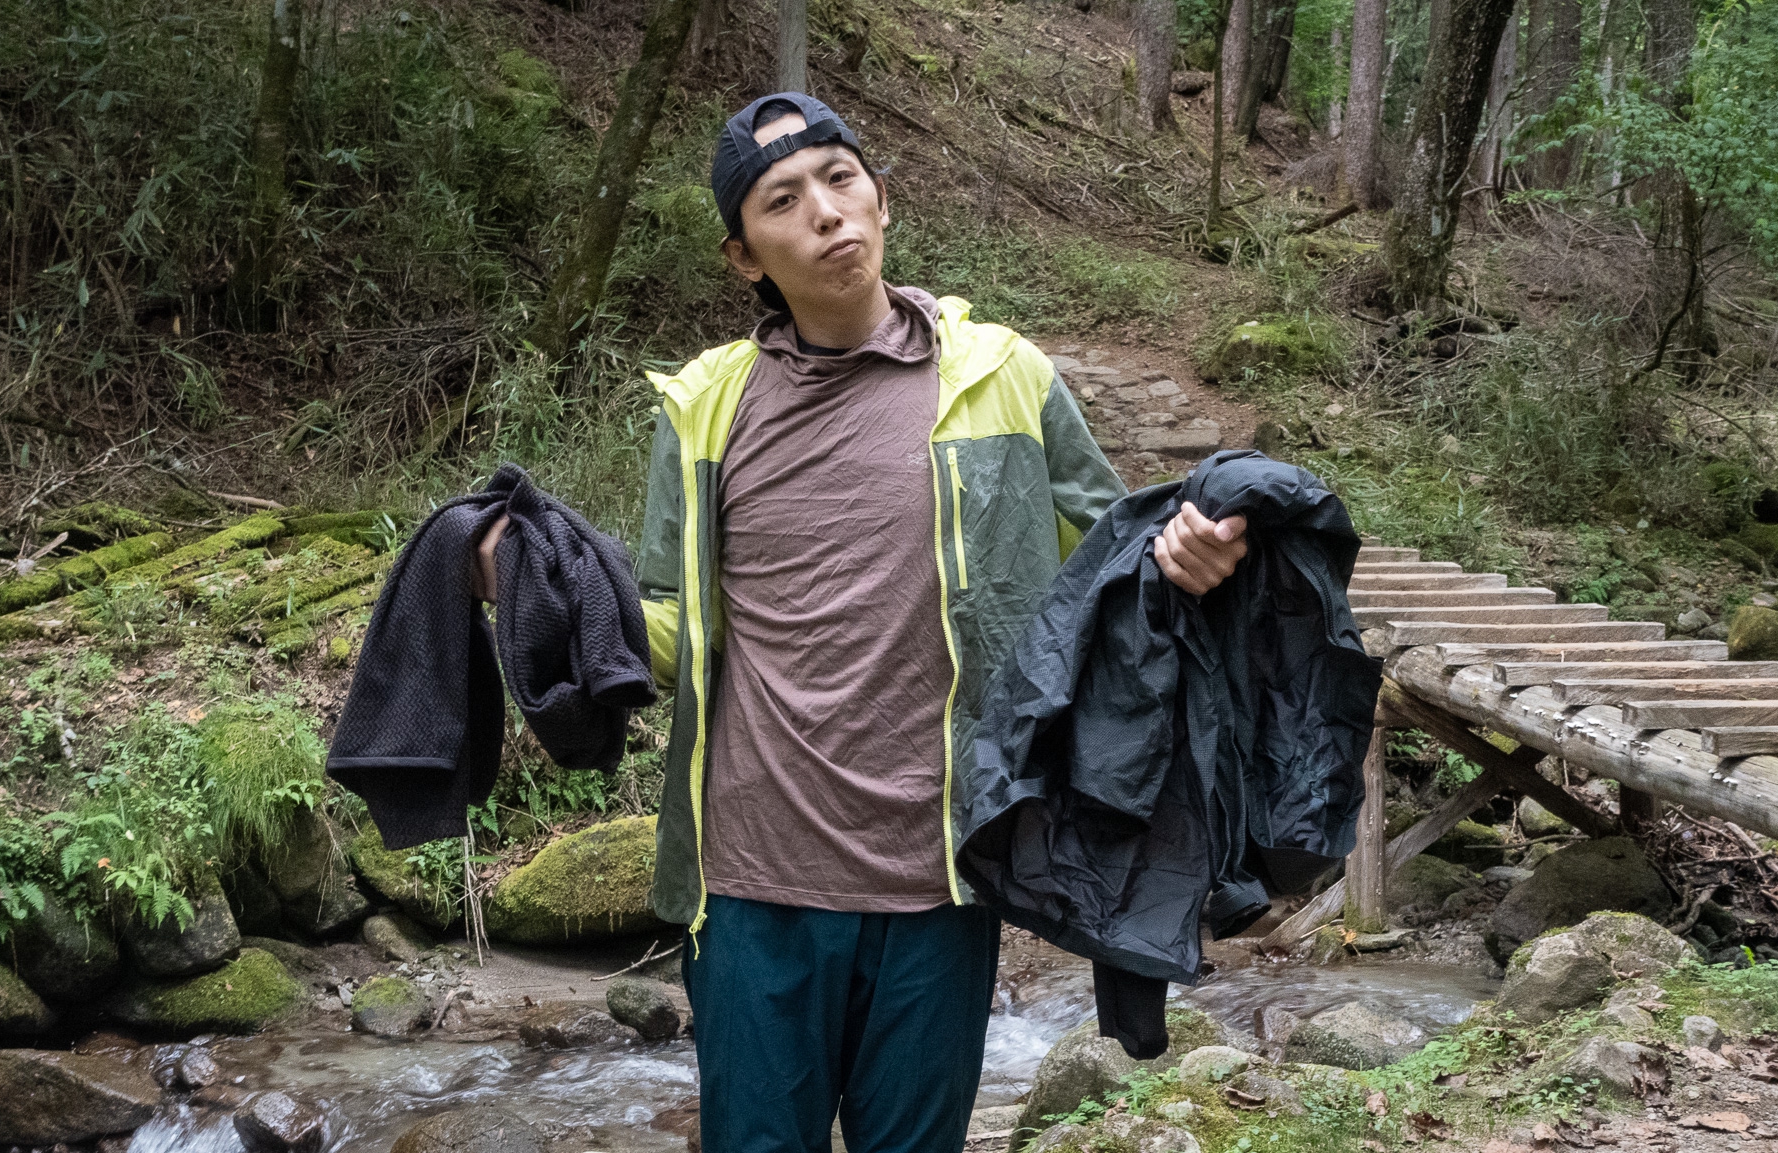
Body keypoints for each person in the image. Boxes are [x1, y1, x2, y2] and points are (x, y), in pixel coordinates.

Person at [473, 92, 1250, 1153]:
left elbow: (1113, 577)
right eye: (782, 201)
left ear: (880, 198)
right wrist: (531, 585)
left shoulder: (1005, 378)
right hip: (747, 888)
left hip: (938, 879)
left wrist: (1190, 564)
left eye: (841, 180)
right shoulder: (702, 407)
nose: (825, 213)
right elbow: (667, 629)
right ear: (744, 255)